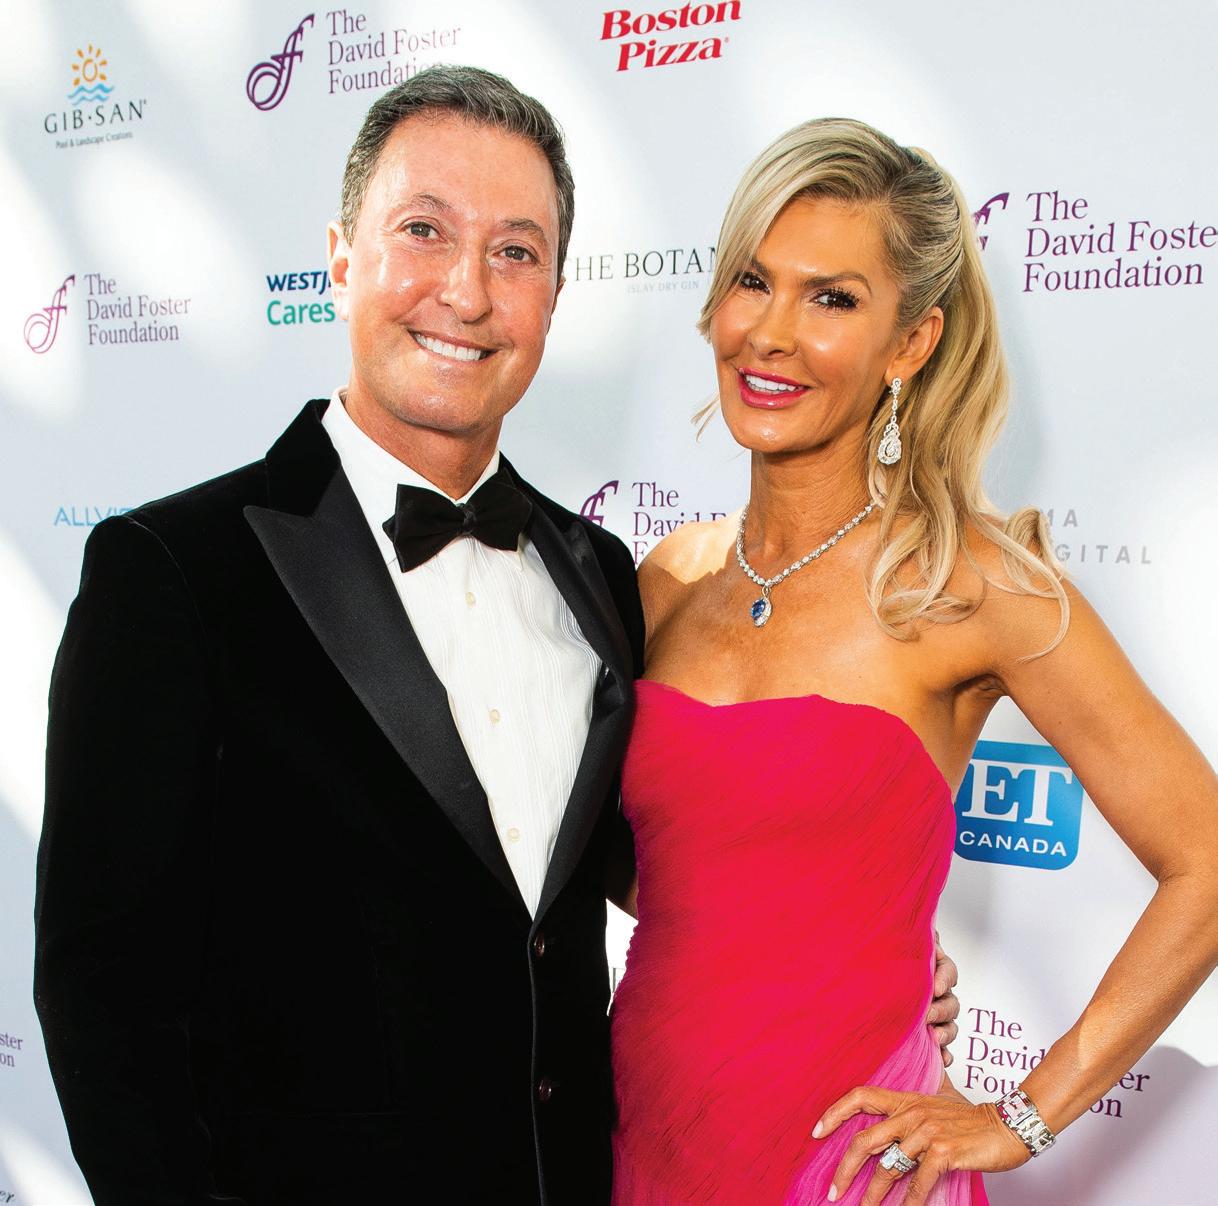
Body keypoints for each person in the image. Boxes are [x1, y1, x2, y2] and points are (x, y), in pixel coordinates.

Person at [34, 70, 961, 1206]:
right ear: (341, 258)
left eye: (515, 252)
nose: (466, 293)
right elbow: (103, 996)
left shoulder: (601, 573)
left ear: (555, 298)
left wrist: (857, 960)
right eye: (423, 231)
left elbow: (660, 858)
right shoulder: (174, 570)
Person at [609, 117, 1218, 1206]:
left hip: (847, 1169)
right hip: (642, 1133)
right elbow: (651, 869)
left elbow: (1205, 861)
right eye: (752, 280)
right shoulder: (667, 579)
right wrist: (857, 932)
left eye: (832, 299)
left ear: (911, 343)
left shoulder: (969, 584)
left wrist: (1022, 1115)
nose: (771, 333)